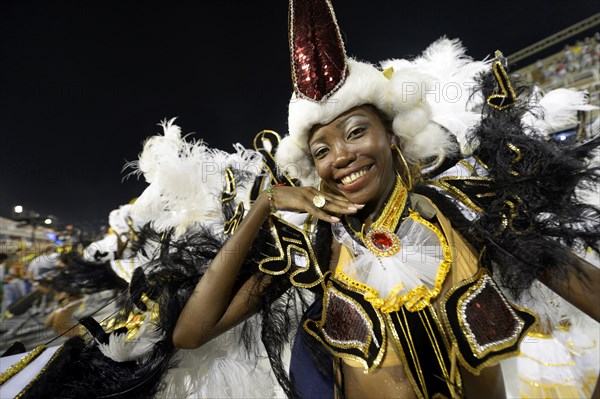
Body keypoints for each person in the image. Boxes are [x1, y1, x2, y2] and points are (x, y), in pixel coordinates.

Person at [173, 0, 599, 398]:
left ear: (392, 133)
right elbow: (192, 332)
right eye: (321, 150)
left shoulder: (467, 213)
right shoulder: (313, 251)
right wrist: (265, 203)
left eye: (357, 131)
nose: (341, 156)